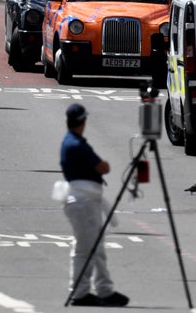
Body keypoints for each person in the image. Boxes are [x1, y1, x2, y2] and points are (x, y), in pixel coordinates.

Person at [60, 103, 129, 307]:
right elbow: (102, 167)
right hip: (84, 203)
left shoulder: (71, 141)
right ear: (82, 121)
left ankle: (104, 289)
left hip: (84, 201)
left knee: (95, 247)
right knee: (85, 249)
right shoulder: (77, 145)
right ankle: (80, 293)